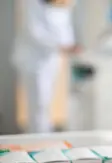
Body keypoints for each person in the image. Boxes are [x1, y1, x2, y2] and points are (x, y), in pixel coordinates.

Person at [12, 0, 79, 133]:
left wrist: (69, 45)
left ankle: (44, 135)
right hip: (34, 61)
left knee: (46, 102)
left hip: (51, 60)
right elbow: (35, 32)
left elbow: (66, 30)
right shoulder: (32, 5)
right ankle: (36, 136)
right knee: (38, 103)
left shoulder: (62, 7)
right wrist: (61, 45)